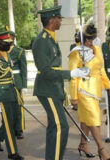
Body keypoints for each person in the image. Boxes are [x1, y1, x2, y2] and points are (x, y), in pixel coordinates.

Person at [32, 5, 89, 160]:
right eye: (59, 18)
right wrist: (71, 73)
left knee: (54, 127)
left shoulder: (50, 37)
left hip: (53, 88)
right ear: (52, 20)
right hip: (47, 89)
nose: (61, 20)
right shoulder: (42, 41)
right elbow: (46, 70)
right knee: (60, 127)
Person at [69, 24, 110, 160]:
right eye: (87, 39)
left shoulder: (97, 49)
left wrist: (109, 85)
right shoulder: (76, 52)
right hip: (83, 89)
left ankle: (83, 144)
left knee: (85, 119)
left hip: (95, 90)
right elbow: (73, 75)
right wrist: (74, 97)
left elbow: (101, 69)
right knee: (95, 119)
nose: (90, 41)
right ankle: (102, 150)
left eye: (92, 38)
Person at [0, 28, 24, 160]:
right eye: (6, 42)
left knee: (14, 122)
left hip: (12, 92)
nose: (9, 44)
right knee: (8, 124)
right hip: (1, 95)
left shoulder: (9, 55)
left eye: (9, 41)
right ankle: (12, 153)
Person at [8, 29, 27, 139]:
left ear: (14, 38)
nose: (8, 39)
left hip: (17, 81)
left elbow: (24, 69)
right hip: (6, 82)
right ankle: (10, 128)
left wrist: (24, 85)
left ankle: (19, 129)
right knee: (9, 107)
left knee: (18, 107)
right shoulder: (1, 51)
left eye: (10, 37)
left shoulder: (19, 51)